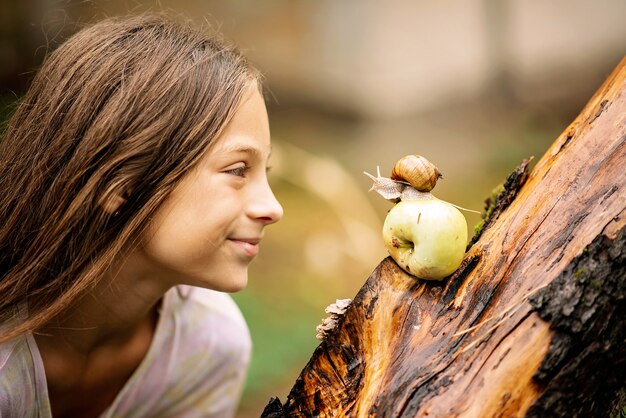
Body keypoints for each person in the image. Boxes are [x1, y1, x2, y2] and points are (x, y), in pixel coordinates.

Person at [0, 13, 283, 418]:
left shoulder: (207, 347)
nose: (273, 208)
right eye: (238, 170)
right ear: (119, 184)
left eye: (264, 173)